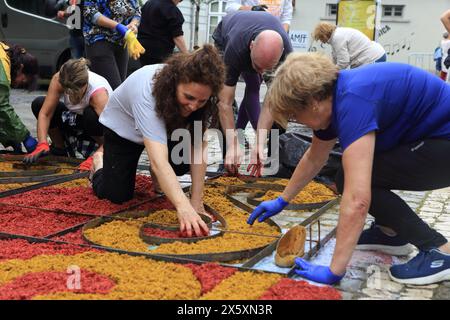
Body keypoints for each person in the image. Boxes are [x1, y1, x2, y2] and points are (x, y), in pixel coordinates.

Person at [247, 52, 450, 285]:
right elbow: (315, 157)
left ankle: (439, 250)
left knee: (353, 179)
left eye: (295, 115)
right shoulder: (332, 98)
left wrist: (334, 270)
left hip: (444, 144)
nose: (298, 121)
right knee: (346, 175)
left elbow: (357, 200)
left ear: (312, 102)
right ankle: (391, 234)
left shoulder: (353, 101)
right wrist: (283, 200)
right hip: (429, 139)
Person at [90, 44, 225, 237]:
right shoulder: (148, 92)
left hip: (166, 128)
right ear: (176, 82)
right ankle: (99, 164)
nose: (194, 106)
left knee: (180, 164)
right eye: (189, 97)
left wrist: (196, 202)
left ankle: (160, 179)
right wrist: (183, 207)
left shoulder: (201, 101)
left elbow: (197, 147)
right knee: (117, 196)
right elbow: (158, 161)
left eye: (201, 101)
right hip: (124, 131)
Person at [212, 11, 292, 174]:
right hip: (227, 35)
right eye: (258, 67)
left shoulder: (287, 56)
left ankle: (272, 159)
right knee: (219, 98)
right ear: (251, 47)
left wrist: (259, 143)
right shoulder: (235, 49)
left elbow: (272, 102)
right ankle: (228, 157)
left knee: (280, 102)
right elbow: (224, 103)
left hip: (258, 47)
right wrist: (234, 142)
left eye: (266, 69)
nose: (262, 73)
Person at [24, 58, 112, 169]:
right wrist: (42, 142)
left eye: (75, 92)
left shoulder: (99, 94)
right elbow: (45, 114)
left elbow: (114, 134)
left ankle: (99, 151)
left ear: (85, 85)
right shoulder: (59, 79)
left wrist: (96, 157)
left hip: (94, 128)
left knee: (90, 115)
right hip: (74, 119)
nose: (71, 95)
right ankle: (60, 148)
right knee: (39, 103)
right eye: (67, 91)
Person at [83, 0, 142, 89]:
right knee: (113, 89)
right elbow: (90, 13)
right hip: (100, 42)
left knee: (120, 89)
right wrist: (117, 26)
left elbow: (137, 11)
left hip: (121, 43)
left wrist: (133, 24)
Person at [0, 43, 39, 154]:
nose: (19, 83)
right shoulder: (2, 64)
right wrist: (25, 137)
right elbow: (2, 107)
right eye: (23, 80)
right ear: (21, 68)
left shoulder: (4, 52)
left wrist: (8, 137)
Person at [313, 22, 386, 70]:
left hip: (373, 58)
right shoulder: (337, 35)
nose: (321, 41)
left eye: (320, 38)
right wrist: (327, 67)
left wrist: (331, 73)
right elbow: (335, 58)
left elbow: (343, 62)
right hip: (375, 55)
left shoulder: (337, 38)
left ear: (324, 35)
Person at [137, 0, 188, 66]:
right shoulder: (172, 10)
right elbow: (177, 37)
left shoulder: (149, 3)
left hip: (141, 50)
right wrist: (187, 55)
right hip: (159, 54)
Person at [225, 0, 293, 33]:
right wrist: (252, 9)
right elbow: (230, 7)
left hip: (275, 38)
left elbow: (286, 18)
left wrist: (282, 36)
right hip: (249, 35)